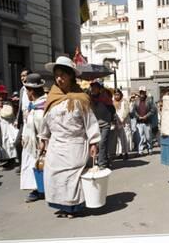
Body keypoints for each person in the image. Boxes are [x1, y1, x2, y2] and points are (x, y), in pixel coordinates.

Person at [38, 56, 101, 219]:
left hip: (75, 144)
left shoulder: (81, 98)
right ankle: (62, 205)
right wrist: (43, 138)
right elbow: (46, 120)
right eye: (57, 75)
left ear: (71, 76)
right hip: (56, 145)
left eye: (63, 75)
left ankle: (73, 207)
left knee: (72, 176)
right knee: (55, 176)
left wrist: (94, 141)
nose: (59, 78)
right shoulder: (52, 97)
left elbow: (90, 121)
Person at [19, 73, 47, 203]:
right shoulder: (34, 105)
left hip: (39, 145)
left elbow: (43, 128)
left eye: (27, 91)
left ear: (32, 91)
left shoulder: (42, 107)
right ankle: (37, 189)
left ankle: (40, 190)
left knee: (39, 167)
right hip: (30, 144)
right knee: (33, 167)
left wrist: (42, 143)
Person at [89, 80, 116, 169]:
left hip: (105, 124)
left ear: (99, 89)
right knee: (96, 144)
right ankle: (103, 160)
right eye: (92, 87)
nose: (93, 89)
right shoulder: (89, 98)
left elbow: (112, 109)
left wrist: (112, 120)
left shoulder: (105, 97)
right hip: (95, 125)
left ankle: (102, 163)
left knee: (102, 143)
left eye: (95, 87)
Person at [0, 85, 19, 166]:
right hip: (0, 126)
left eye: (2, 94)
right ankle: (4, 158)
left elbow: (9, 113)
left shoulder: (8, 103)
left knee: (9, 142)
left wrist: (0, 109)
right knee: (2, 143)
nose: (0, 96)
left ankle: (11, 159)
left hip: (8, 125)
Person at [14, 68, 31, 174]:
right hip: (23, 122)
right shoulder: (22, 90)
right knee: (17, 143)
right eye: (21, 76)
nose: (22, 78)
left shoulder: (35, 88)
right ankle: (21, 164)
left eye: (24, 75)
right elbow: (21, 107)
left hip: (33, 119)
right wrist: (17, 119)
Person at [131, 86, 157, 155]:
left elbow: (153, 110)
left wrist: (146, 116)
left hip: (147, 122)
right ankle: (140, 150)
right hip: (139, 122)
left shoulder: (149, 100)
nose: (142, 93)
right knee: (140, 137)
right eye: (141, 92)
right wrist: (138, 116)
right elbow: (134, 111)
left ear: (145, 92)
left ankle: (150, 148)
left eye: (143, 92)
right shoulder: (136, 101)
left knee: (148, 137)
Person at [113, 88, 130, 160]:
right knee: (118, 139)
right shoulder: (113, 102)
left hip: (124, 122)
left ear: (120, 95)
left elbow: (127, 110)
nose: (117, 96)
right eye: (115, 95)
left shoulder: (124, 101)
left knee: (125, 138)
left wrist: (123, 119)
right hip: (117, 122)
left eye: (118, 94)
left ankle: (125, 153)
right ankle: (120, 153)